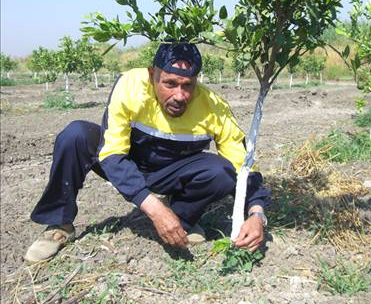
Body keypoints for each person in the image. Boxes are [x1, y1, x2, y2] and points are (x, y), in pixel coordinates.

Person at [24, 41, 270, 263]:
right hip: (129, 162)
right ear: (152, 75)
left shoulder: (213, 106)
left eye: (188, 86)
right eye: (170, 84)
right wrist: (153, 207)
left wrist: (256, 213)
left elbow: (242, 166)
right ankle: (60, 224)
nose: (180, 96)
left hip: (173, 171)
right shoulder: (130, 85)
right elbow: (112, 152)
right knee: (75, 135)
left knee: (222, 171)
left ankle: (181, 218)